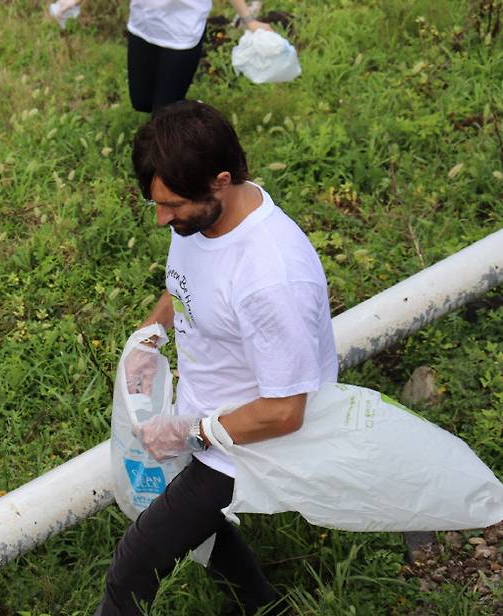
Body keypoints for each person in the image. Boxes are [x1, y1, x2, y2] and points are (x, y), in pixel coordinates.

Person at [95, 101, 338, 615]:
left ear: (220, 180)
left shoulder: (270, 277)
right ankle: (263, 606)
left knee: (132, 567)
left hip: (245, 445)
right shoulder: (205, 221)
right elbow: (188, 282)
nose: (162, 219)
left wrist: (189, 432)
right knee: (203, 533)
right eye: (155, 204)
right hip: (204, 414)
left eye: (173, 205)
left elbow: (284, 412)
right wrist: (153, 329)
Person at [126, 1, 273, 112]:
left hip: (182, 34)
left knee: (163, 113)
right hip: (142, 23)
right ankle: (191, 113)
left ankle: (179, 137)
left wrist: (250, 20)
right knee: (141, 102)